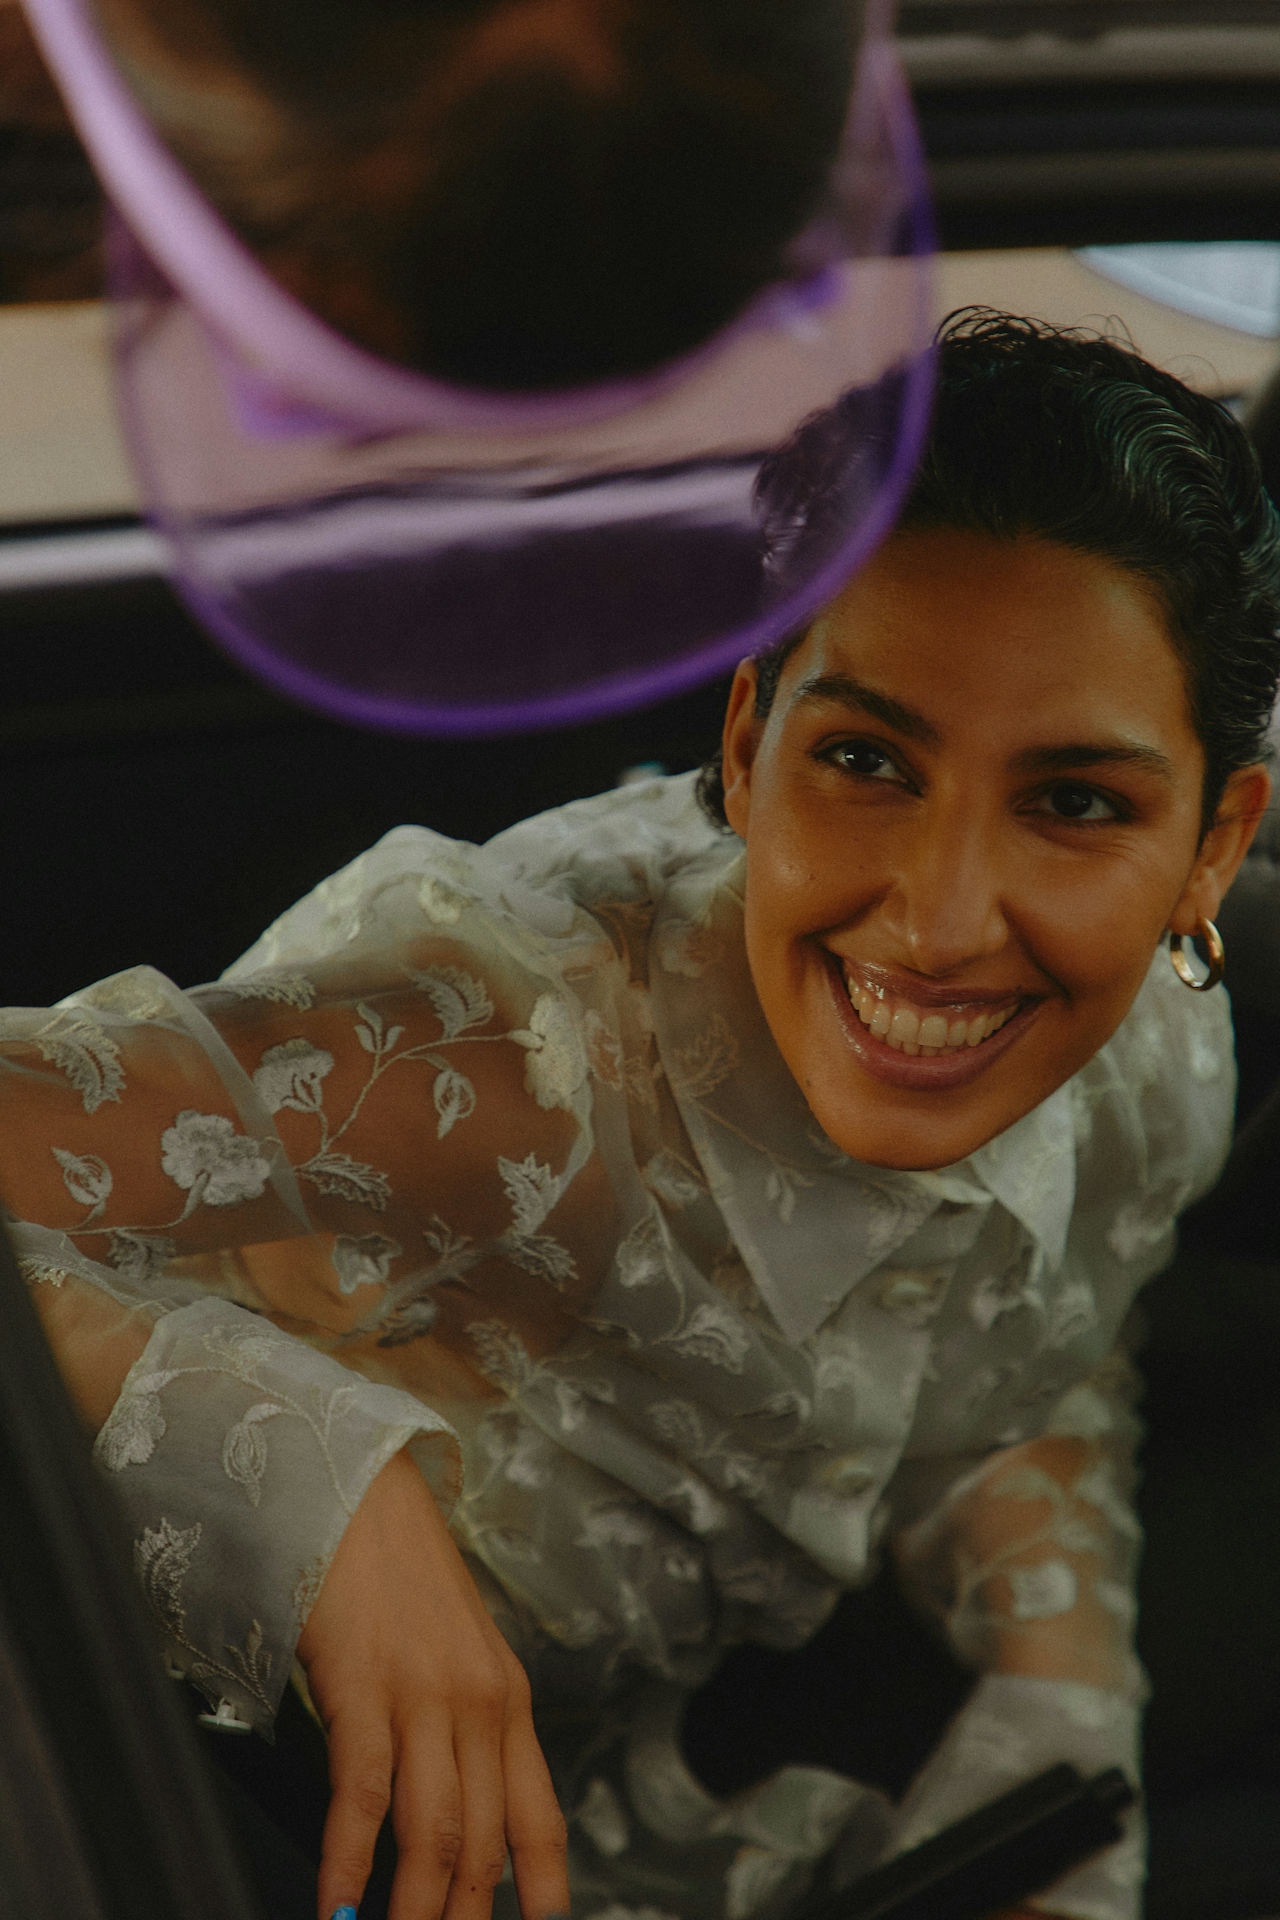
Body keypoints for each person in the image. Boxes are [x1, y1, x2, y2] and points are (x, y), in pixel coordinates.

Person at [1, 310, 1276, 1920]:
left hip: (598, 1794)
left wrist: (1055, 1698)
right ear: (747, 750)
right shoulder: (501, 1056)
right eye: (870, 759)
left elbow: (1035, 1324)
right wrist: (306, 1474)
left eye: (1077, 804)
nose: (945, 920)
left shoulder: (1156, 1070)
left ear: (1217, 845)